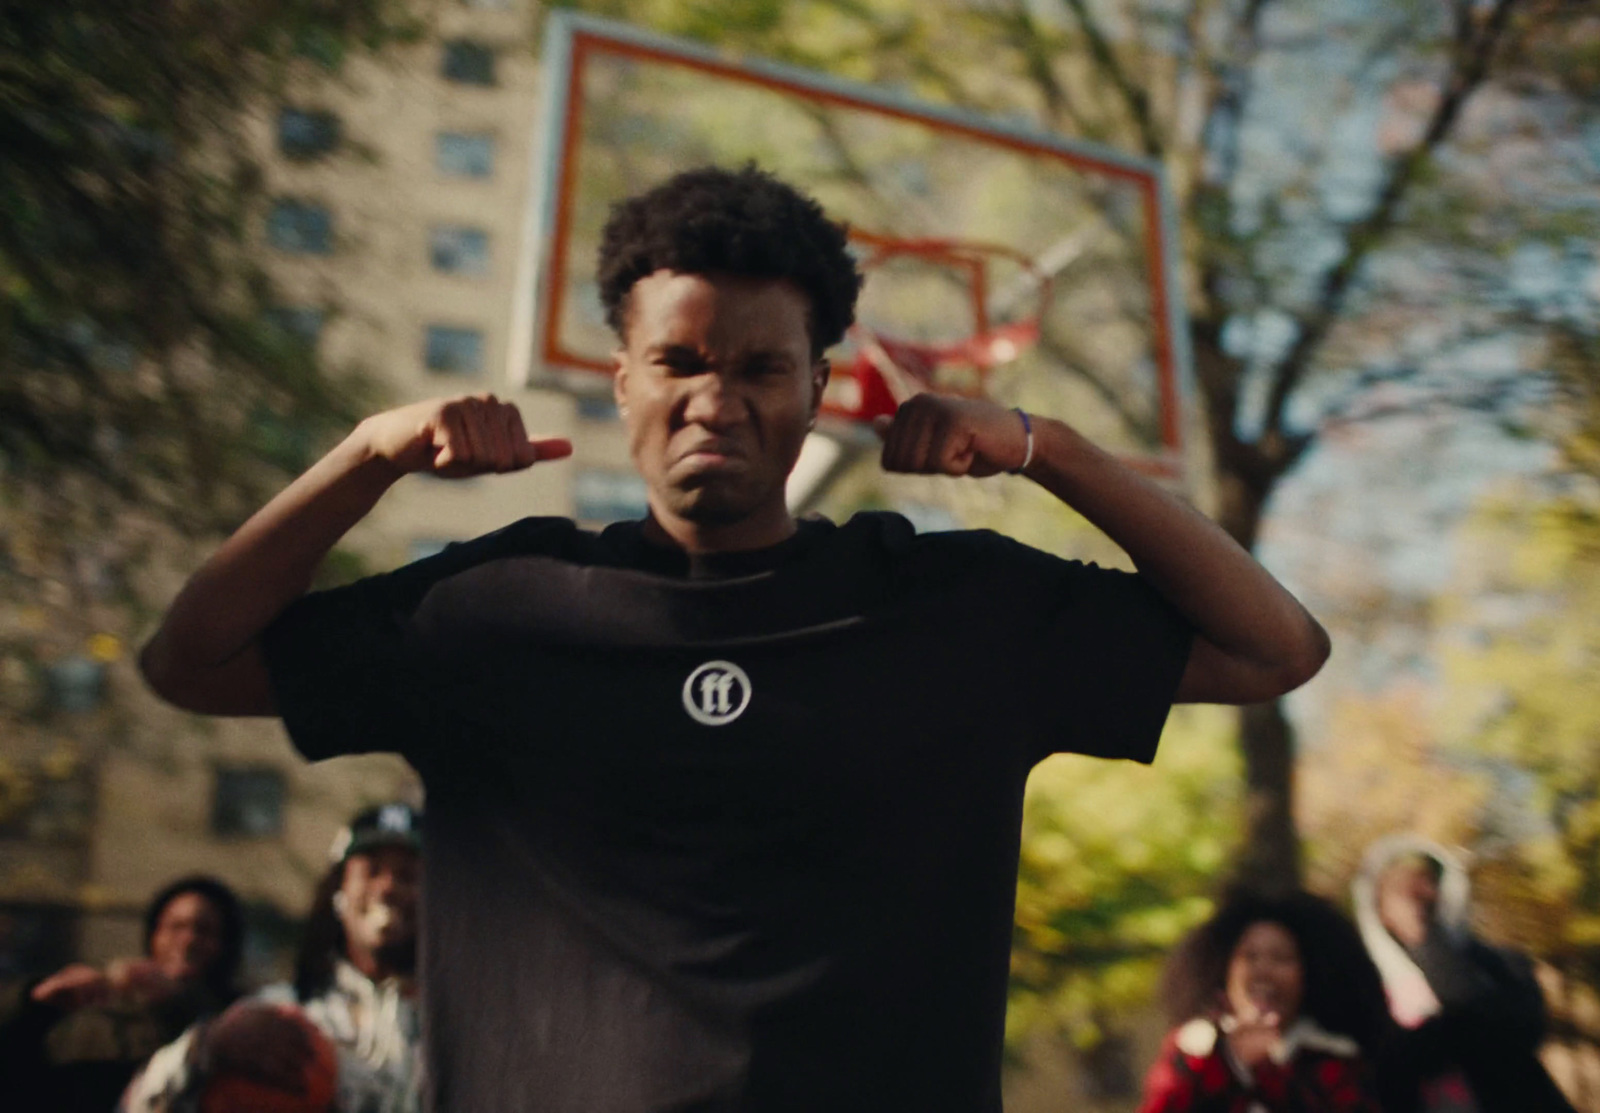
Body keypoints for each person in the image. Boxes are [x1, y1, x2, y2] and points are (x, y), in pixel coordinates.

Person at [138, 164, 1331, 1112]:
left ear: (819, 390)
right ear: (620, 381)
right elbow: (188, 660)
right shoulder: (498, 610)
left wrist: (1046, 446)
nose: (717, 398)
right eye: (679, 362)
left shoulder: (947, 604)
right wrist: (366, 457)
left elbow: (1274, 648)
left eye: (761, 367)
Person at [125, 803, 425, 1113]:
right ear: (339, 890)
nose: (388, 887)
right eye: (372, 871)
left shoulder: (461, 1023)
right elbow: (135, 1107)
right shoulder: (278, 1016)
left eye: (409, 875)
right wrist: (203, 1049)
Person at [1353, 835, 1575, 1113]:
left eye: (1426, 881)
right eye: (1400, 887)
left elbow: (1504, 1028)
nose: (1416, 896)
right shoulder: (1358, 986)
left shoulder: (1502, 966)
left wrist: (1425, 944)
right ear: (1376, 905)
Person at [0, 875, 244, 1113]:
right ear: (154, 935)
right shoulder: (95, 1014)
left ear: (226, 943)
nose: (188, 941)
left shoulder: (240, 1021)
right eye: (175, 926)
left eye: (204, 930)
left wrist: (177, 1001)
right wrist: (34, 1003)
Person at [1138, 890, 1390, 1113]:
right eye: (1250, 956)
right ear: (1224, 970)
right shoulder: (1191, 1052)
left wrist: (1271, 1076)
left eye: (1281, 958)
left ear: (1309, 974)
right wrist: (1230, 1065)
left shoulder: (1335, 1061)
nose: (1263, 971)